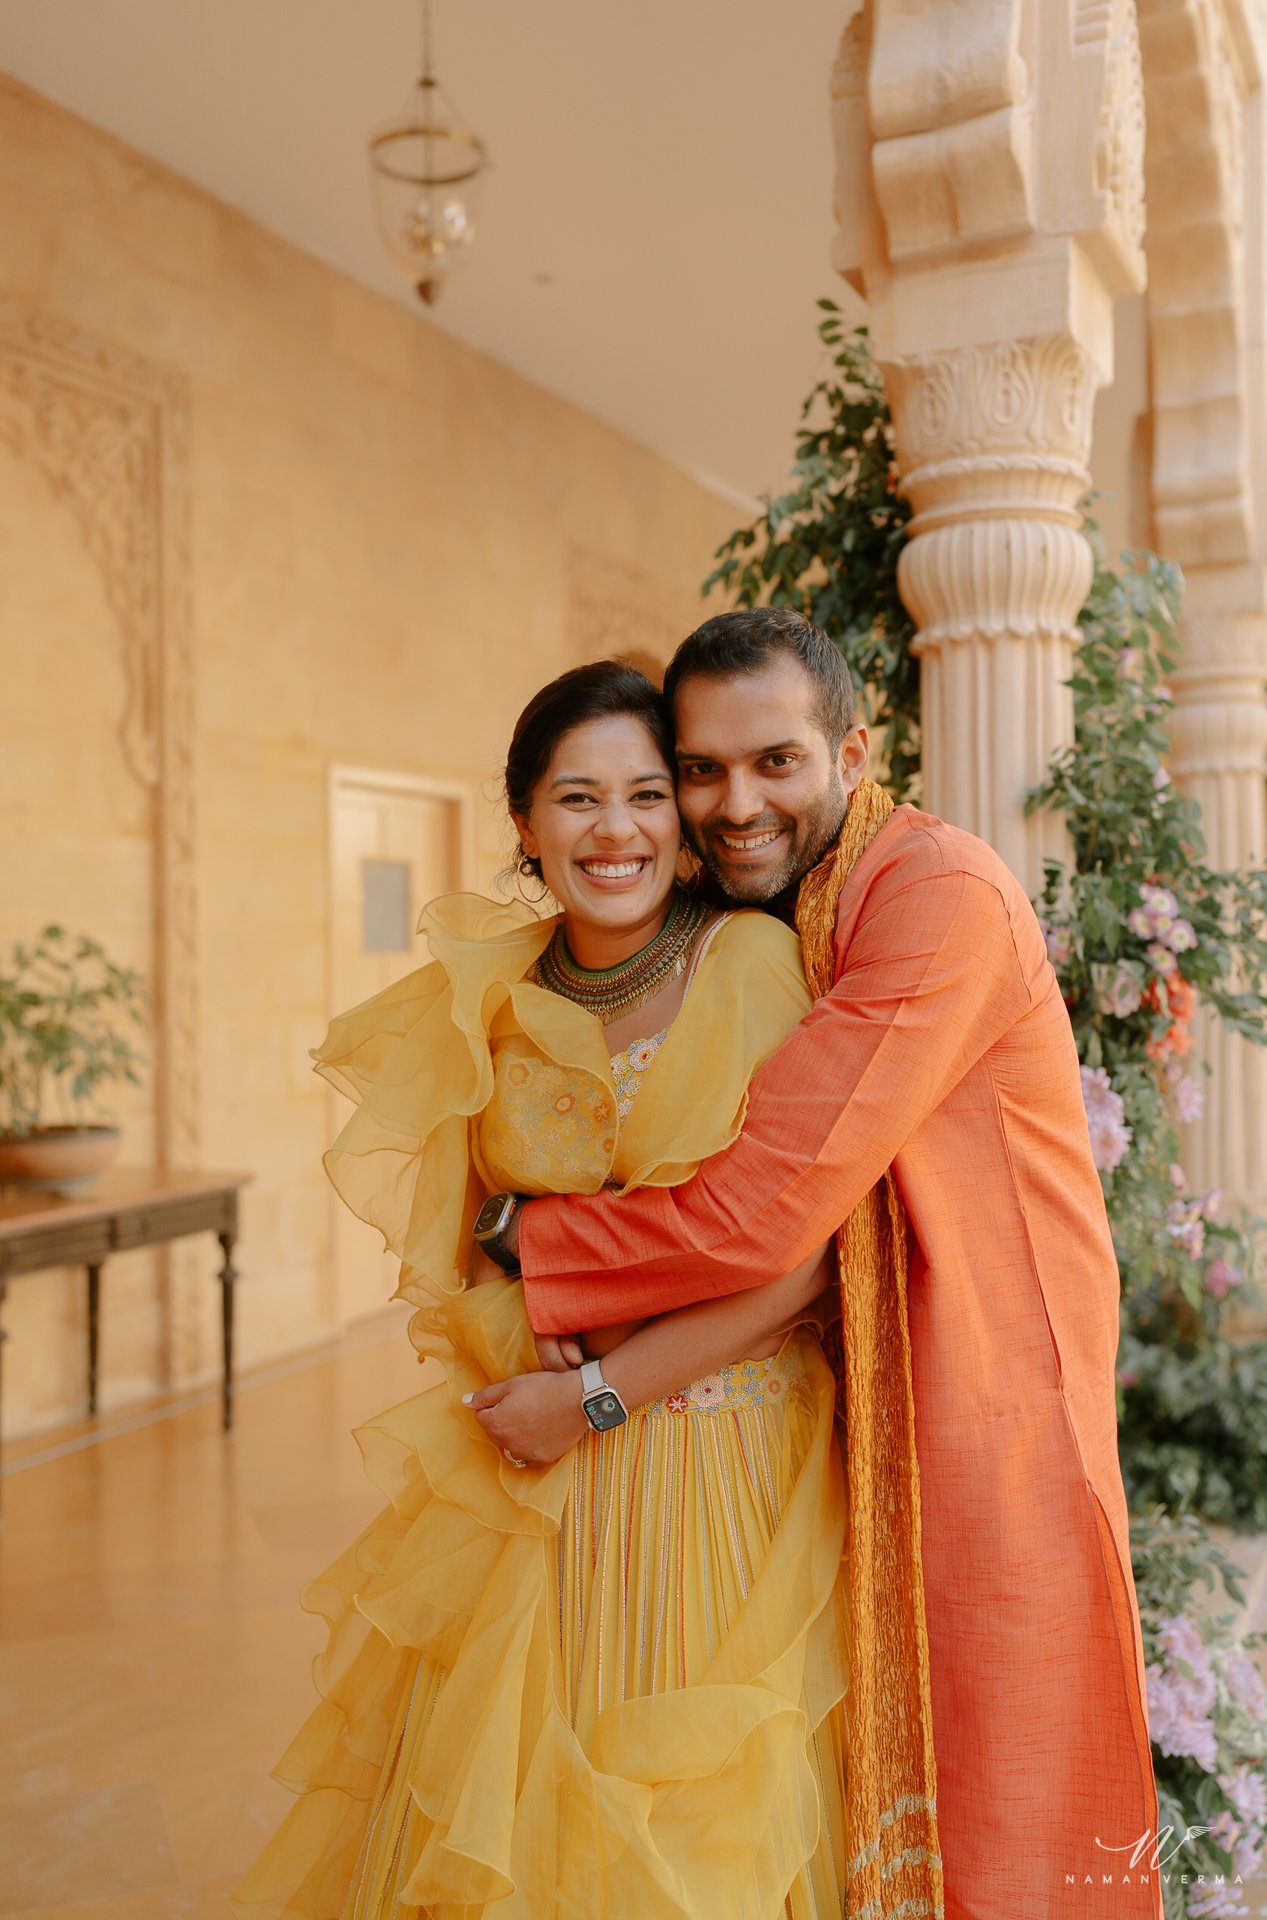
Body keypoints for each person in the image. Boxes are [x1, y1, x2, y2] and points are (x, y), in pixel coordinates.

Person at [476, 608, 1165, 1920]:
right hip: (850, 1397)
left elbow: (762, 1216)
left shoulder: (935, 894)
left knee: (1001, 1769)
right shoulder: (791, 905)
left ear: (853, 752)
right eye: (704, 769)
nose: (736, 803)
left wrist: (535, 1242)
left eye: (776, 762)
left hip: (989, 1385)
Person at [229, 659, 857, 1920]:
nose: (613, 830)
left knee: (680, 1825)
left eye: (642, 794)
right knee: (501, 1819)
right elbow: (468, 1234)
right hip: (534, 1482)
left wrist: (602, 1395)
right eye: (576, 799)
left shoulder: (747, 962)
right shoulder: (495, 997)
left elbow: (794, 1260)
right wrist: (529, 1321)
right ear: (521, 820)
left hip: (716, 1460)